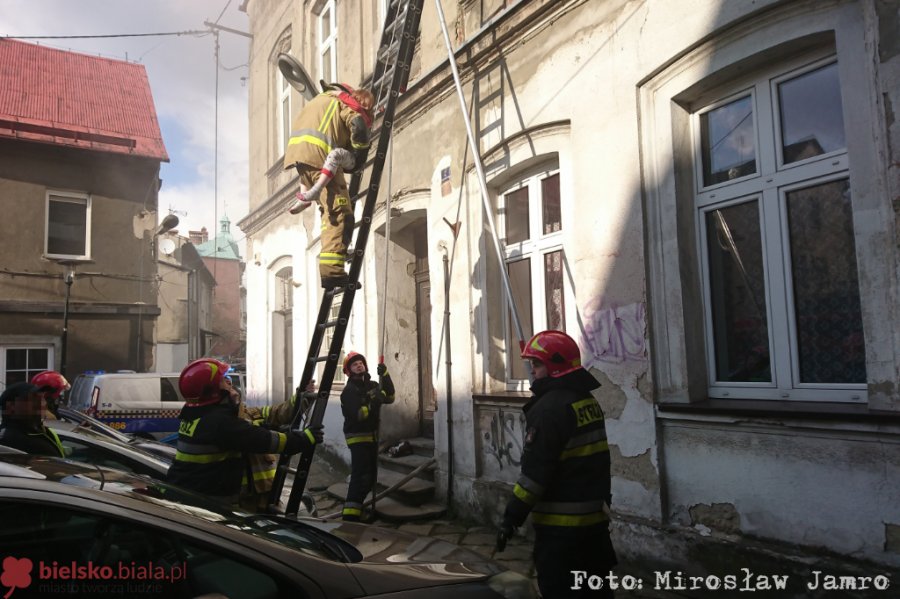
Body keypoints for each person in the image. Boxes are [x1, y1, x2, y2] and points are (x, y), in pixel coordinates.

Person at [496, 330, 616, 599]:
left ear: (555, 366)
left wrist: (511, 518)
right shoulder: (586, 401)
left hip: (562, 533)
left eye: (536, 365)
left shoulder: (549, 410)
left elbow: (534, 477)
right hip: (594, 527)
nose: (533, 372)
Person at [166, 358, 323, 505]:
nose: (230, 383)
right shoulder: (220, 423)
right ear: (213, 391)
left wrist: (302, 397)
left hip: (242, 495)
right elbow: (263, 440)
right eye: (224, 381)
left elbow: (277, 413)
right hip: (232, 500)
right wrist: (305, 438)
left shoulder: (199, 416)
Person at [283, 84, 375, 289]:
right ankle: (332, 272)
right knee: (339, 211)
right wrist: (359, 153)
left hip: (302, 159)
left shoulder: (323, 100)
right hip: (320, 157)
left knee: (329, 209)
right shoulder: (347, 104)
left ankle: (337, 254)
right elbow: (359, 126)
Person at [236, 378, 317, 512]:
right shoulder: (223, 424)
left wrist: (302, 396)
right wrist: (302, 439)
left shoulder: (251, 414)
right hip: (241, 500)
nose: (232, 390)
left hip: (266, 494)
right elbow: (259, 440)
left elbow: (280, 412)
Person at [339, 351, 394, 521]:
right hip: (357, 438)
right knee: (360, 476)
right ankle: (350, 518)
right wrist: (373, 403)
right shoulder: (348, 391)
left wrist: (385, 374)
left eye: (361, 362)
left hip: (371, 437)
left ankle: (357, 509)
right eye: (354, 364)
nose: (359, 365)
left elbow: (390, 397)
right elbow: (358, 415)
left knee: (370, 477)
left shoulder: (372, 385)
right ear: (349, 370)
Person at [0, 381, 65, 457]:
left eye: (41, 398)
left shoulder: (39, 430)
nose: (42, 403)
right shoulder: (9, 439)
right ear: (11, 407)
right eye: (33, 399)